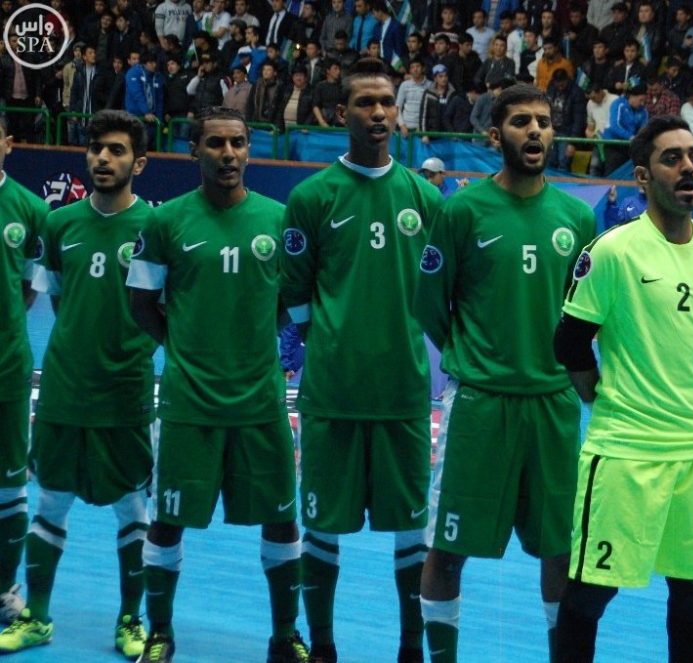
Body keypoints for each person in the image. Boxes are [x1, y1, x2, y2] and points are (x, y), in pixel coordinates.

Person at [414, 83, 597, 663]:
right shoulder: (461, 211)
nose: (535, 130)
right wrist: (475, 356)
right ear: (496, 136)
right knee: (448, 549)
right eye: (521, 121)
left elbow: (587, 315)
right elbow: (429, 303)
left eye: (544, 120)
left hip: (553, 405)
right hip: (480, 405)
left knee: (561, 551)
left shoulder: (577, 217)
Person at [553, 114, 693, 663]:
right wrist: (600, 399)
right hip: (624, 453)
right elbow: (569, 342)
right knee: (590, 595)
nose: (688, 168)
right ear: (642, 176)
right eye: (672, 158)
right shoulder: (613, 251)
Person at [126, 106, 307, 663]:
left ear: (249, 150)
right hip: (189, 404)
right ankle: (160, 633)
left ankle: (285, 636)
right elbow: (141, 304)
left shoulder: (279, 219)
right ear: (194, 151)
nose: (228, 153)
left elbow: (289, 302)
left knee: (282, 520)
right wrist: (184, 350)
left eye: (238, 143)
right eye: (215, 144)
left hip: (260, 403)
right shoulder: (164, 222)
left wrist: (255, 341)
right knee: (167, 521)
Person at [279, 58, 443, 663]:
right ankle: (323, 647)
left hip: (404, 394)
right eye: (364, 103)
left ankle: (409, 650)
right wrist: (331, 341)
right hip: (334, 394)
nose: (378, 113)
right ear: (340, 113)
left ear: (398, 113)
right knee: (322, 527)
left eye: (386, 103)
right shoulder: (311, 197)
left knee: (412, 532)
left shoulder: (426, 199)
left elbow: (442, 293)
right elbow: (295, 291)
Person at [0, 110, 154, 659]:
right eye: (95, 149)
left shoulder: (157, 227)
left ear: (139, 162)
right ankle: (37, 617)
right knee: (51, 502)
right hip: (65, 390)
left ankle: (131, 620)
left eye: (116, 150)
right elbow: (59, 300)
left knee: (132, 509)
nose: (103, 158)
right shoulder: (59, 224)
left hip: (126, 392)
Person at [0, 116, 48, 628]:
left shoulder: (32, 210)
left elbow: (28, 291)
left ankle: (2, 587)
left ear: (8, 144)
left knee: (9, 483)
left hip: (7, 366)